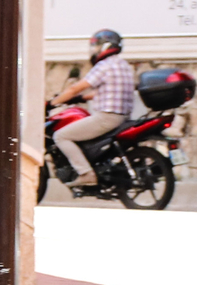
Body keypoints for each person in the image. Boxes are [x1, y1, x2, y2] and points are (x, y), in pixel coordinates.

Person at [51, 28, 137, 188]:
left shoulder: (104, 66)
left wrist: (54, 102)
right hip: (122, 118)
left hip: (106, 117)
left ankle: (86, 173)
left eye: (96, 46)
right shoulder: (123, 64)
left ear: (106, 46)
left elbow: (75, 88)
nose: (95, 50)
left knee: (61, 136)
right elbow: (106, 91)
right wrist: (81, 98)